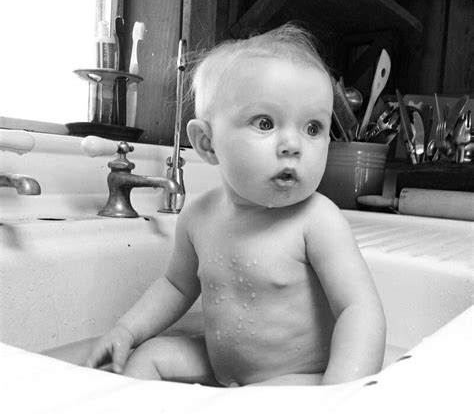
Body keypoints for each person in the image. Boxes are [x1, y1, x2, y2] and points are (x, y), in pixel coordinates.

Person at [86, 24, 386, 387]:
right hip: (220, 367)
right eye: (265, 122)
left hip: (299, 379)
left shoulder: (318, 220)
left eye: (313, 128)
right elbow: (176, 287)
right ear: (208, 144)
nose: (293, 144)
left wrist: (337, 396)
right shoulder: (198, 218)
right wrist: (126, 331)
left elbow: (360, 310)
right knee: (148, 359)